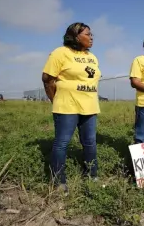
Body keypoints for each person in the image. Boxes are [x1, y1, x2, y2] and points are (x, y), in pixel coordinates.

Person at [41, 22, 101, 193]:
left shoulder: (92, 57)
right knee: (62, 143)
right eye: (87, 34)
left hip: (89, 106)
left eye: (91, 34)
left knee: (90, 143)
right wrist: (57, 99)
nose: (91, 37)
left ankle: (92, 175)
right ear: (75, 36)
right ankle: (58, 181)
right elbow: (47, 79)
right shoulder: (60, 53)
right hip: (66, 106)